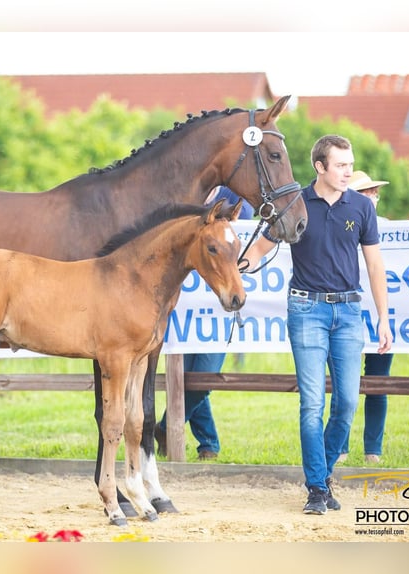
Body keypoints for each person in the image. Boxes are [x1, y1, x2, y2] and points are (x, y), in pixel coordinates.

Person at [242, 135, 392, 515]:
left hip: (349, 313)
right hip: (306, 310)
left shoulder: (360, 206)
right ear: (320, 167)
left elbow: (375, 265)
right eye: (340, 165)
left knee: (345, 403)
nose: (348, 172)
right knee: (312, 404)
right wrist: (230, 272)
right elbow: (259, 248)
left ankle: (322, 475)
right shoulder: (295, 204)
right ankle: (316, 488)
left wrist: (383, 318)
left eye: (349, 164)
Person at [153, 185, 253, 461]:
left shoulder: (234, 196)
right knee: (185, 378)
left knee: (204, 378)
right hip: (184, 303)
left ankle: (163, 428)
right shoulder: (182, 192)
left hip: (217, 295)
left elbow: (238, 232)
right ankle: (208, 444)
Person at [335, 170, 394, 465]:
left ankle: (373, 450)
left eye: (374, 192)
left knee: (378, 383)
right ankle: (341, 447)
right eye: (366, 192)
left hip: (381, 316)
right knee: (344, 385)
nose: (372, 197)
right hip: (347, 314)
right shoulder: (338, 226)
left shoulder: (388, 229)